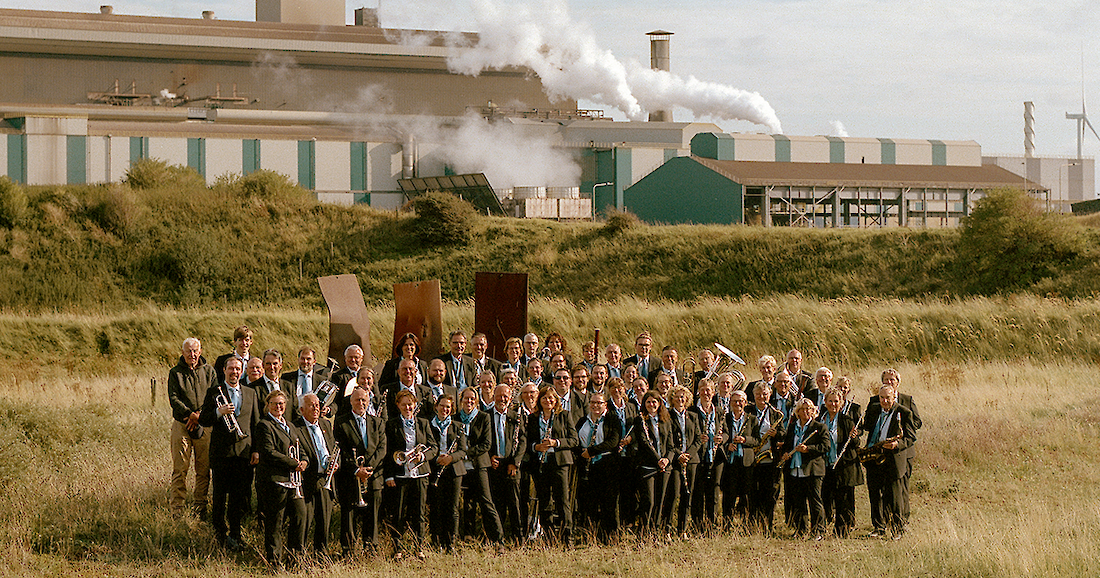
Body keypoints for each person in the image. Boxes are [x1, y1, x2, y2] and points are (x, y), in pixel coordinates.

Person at [198, 356, 261, 551]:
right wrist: (219, 412)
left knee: (238, 497)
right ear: (224, 370)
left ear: (242, 371)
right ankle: (219, 534)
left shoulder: (251, 393)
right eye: (231, 369)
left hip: (243, 453)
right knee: (219, 496)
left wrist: (257, 450)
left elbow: (256, 424)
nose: (234, 372)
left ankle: (235, 534)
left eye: (238, 369)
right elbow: (204, 420)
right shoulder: (214, 392)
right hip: (221, 453)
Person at [254, 390, 308, 571]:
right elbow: (269, 452)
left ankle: (295, 560)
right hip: (275, 481)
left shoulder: (291, 426)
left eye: (282, 404)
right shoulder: (264, 425)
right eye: (275, 404)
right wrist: (294, 463)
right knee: (275, 524)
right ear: (268, 406)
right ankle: (274, 563)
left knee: (300, 518)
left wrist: (304, 461)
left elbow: (301, 448)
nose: (279, 407)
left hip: (294, 482)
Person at [383, 389, 438, 560]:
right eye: (404, 404)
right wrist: (389, 475)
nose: (407, 407)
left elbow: (433, 447)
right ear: (398, 405)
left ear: (415, 405)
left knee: (419, 513)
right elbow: (387, 452)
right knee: (398, 512)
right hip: (400, 475)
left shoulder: (423, 423)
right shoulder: (391, 424)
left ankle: (419, 547)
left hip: (420, 474)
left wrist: (423, 456)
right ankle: (398, 548)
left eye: (410, 404)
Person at [333, 387, 386, 557]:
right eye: (357, 400)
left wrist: (368, 468)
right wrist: (356, 470)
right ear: (351, 402)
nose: (361, 403)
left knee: (372, 515)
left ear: (369, 401)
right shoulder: (341, 422)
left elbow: (382, 448)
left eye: (364, 400)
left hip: (373, 476)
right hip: (350, 477)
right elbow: (340, 450)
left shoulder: (377, 422)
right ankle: (348, 551)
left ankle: (371, 549)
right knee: (348, 515)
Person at [168, 337, 215, 518]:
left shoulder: (209, 371)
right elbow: (174, 398)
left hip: (204, 425)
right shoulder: (175, 373)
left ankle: (200, 508)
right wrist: (190, 414)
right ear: (183, 352)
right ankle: (177, 510)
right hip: (182, 425)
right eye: (188, 351)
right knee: (180, 470)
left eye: (195, 351)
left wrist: (199, 415)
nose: (192, 354)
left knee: (203, 469)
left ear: (200, 352)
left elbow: (214, 395)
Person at [862, 384, 917, 539]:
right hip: (874, 457)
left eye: (888, 398)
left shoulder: (904, 412)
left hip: (893, 459)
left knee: (894, 496)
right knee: (874, 494)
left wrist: (896, 445)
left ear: (894, 397)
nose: (884, 401)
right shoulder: (873, 409)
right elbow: (865, 426)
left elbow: (911, 437)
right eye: (881, 397)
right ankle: (878, 527)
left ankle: (897, 529)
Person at [527, 386, 579, 546]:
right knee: (544, 501)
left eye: (551, 398)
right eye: (544, 398)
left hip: (559, 463)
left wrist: (555, 443)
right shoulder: (533, 418)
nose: (548, 401)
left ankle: (567, 537)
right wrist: (536, 446)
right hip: (541, 463)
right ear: (539, 400)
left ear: (556, 400)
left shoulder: (564, 415)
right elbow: (528, 441)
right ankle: (548, 537)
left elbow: (574, 440)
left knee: (562, 500)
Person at [455, 387, 506, 546]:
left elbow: (486, 443)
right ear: (461, 400)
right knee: (468, 503)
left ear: (476, 401)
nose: (469, 401)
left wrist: (466, 452)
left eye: (472, 399)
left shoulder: (484, 417)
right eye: (466, 398)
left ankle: (498, 539)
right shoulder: (456, 418)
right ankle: (468, 537)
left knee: (486, 502)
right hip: (462, 467)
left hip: (479, 465)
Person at [873, 368, 922, 529]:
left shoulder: (906, 401)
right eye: (886, 380)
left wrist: (899, 432)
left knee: (901, 489)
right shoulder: (876, 401)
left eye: (891, 380)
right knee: (884, 490)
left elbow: (916, 424)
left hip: (902, 452)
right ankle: (884, 521)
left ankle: (902, 521)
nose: (889, 382)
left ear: (898, 383)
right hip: (881, 453)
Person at [293, 393, 338, 556]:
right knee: (303, 523)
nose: (316, 408)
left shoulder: (325, 424)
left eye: (317, 405)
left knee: (324, 522)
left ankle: (321, 556)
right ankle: (298, 557)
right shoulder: (295, 428)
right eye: (311, 405)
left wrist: (334, 463)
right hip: (306, 481)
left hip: (325, 480)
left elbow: (331, 447)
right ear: (301, 410)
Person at [575, 392, 622, 542]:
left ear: (605, 405)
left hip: (607, 465)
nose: (596, 405)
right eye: (593, 402)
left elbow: (613, 441)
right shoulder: (583, 420)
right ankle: (591, 535)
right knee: (589, 503)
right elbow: (574, 440)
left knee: (609, 503)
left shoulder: (612, 419)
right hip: (587, 467)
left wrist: (592, 451)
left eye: (599, 403)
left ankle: (611, 536)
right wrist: (581, 453)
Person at [819, 389, 863, 538]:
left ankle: (841, 531)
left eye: (836, 401)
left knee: (843, 500)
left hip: (843, 466)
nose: (833, 404)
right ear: (825, 402)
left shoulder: (846, 420)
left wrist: (854, 436)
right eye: (830, 401)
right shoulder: (820, 419)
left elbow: (855, 443)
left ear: (842, 403)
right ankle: (822, 528)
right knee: (825, 497)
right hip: (825, 465)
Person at [782, 398, 828, 540]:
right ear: (797, 412)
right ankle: (800, 529)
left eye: (809, 409)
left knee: (815, 501)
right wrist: (785, 453)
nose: (805, 412)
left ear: (814, 411)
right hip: (795, 469)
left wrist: (808, 449)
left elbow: (825, 447)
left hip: (812, 470)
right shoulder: (792, 427)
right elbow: (788, 444)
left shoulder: (820, 427)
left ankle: (818, 531)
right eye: (802, 409)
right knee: (798, 501)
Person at [427, 394, 467, 553]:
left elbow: (463, 450)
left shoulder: (458, 426)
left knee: (452, 508)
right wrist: (436, 459)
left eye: (448, 407)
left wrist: (450, 458)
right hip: (434, 468)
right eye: (442, 406)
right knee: (436, 506)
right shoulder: (428, 425)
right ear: (436, 406)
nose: (445, 409)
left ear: (452, 410)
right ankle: (436, 541)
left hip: (454, 470)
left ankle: (451, 542)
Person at [488, 384, 527, 544]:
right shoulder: (486, 416)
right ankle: (498, 538)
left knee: (515, 503)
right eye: (499, 395)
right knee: (497, 504)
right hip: (494, 465)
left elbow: (523, 441)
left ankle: (519, 537)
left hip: (511, 466)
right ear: (493, 396)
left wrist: (515, 463)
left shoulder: (516, 416)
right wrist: (489, 458)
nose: (502, 399)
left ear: (510, 398)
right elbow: (482, 441)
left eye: (506, 396)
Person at [661, 384, 700, 537]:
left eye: (683, 396)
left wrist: (688, 455)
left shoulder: (693, 416)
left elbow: (698, 439)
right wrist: (679, 455)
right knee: (673, 495)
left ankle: (682, 530)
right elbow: (668, 441)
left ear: (687, 399)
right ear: (672, 398)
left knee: (687, 495)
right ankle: (667, 530)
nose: (680, 399)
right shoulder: (667, 416)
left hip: (691, 461)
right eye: (677, 396)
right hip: (675, 461)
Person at [747, 382, 785, 536]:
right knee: (752, 494)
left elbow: (783, 432)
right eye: (758, 394)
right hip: (752, 459)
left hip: (769, 460)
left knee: (769, 494)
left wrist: (777, 434)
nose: (762, 397)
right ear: (754, 396)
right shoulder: (748, 411)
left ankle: (767, 526)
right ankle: (751, 526)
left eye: (765, 394)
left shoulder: (775, 413)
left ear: (770, 395)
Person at [631, 389, 671, 535]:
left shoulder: (666, 420)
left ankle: (655, 532)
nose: (652, 404)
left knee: (660, 502)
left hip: (664, 466)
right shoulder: (640, 420)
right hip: (648, 465)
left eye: (654, 401)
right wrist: (658, 459)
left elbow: (671, 445)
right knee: (649, 501)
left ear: (659, 403)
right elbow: (644, 442)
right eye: (648, 402)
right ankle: (643, 532)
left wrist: (667, 459)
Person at [689, 379, 725, 531]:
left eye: (708, 390)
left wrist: (721, 439)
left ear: (713, 393)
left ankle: (712, 524)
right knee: (697, 491)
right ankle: (697, 525)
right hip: (698, 456)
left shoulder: (720, 412)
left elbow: (727, 432)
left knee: (714, 492)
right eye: (702, 390)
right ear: (698, 392)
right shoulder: (691, 412)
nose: (706, 393)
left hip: (715, 457)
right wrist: (699, 438)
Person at [722, 390, 758, 529]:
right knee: (729, 495)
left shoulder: (752, 419)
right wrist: (727, 445)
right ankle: (726, 525)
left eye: (741, 401)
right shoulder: (725, 418)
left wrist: (744, 440)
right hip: (730, 462)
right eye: (735, 401)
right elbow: (723, 435)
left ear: (745, 403)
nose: (738, 404)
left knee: (746, 495)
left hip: (746, 462)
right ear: (730, 403)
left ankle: (745, 525)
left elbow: (756, 440)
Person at [606, 377, 639, 529]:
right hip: (613, 455)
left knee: (629, 490)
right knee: (614, 492)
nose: (617, 390)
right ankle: (615, 525)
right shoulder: (606, 407)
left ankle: (629, 522)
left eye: (620, 387)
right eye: (613, 387)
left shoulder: (631, 407)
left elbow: (638, 429)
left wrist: (630, 439)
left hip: (630, 455)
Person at [280, 346, 331, 418]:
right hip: (292, 421)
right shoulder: (286, 378)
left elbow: (333, 402)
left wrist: (327, 409)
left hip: (314, 420)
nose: (305, 362)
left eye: (308, 359)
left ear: (314, 362)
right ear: (298, 359)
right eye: (302, 358)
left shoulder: (322, 381)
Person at [331, 344, 365, 416]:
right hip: (345, 417)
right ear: (345, 358)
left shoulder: (367, 375)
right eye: (350, 357)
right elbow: (335, 401)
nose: (353, 360)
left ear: (361, 358)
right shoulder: (338, 376)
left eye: (356, 357)